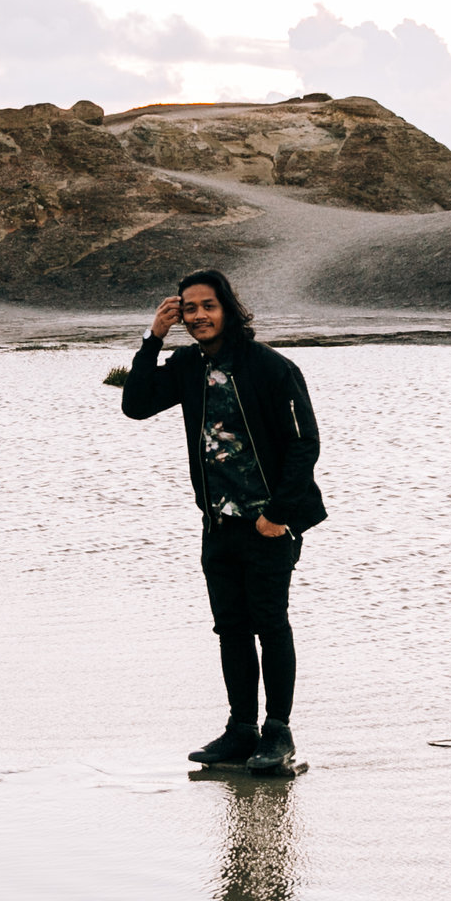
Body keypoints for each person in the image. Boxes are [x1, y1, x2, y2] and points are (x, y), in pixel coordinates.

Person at [122, 268, 326, 775]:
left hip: (270, 524)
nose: (198, 316)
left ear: (228, 308)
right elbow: (136, 404)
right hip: (218, 525)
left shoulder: (272, 367)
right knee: (231, 629)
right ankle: (241, 730)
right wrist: (153, 339)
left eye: (207, 306)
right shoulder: (188, 365)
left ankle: (277, 733)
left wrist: (278, 516)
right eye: (189, 309)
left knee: (270, 624)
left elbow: (305, 444)